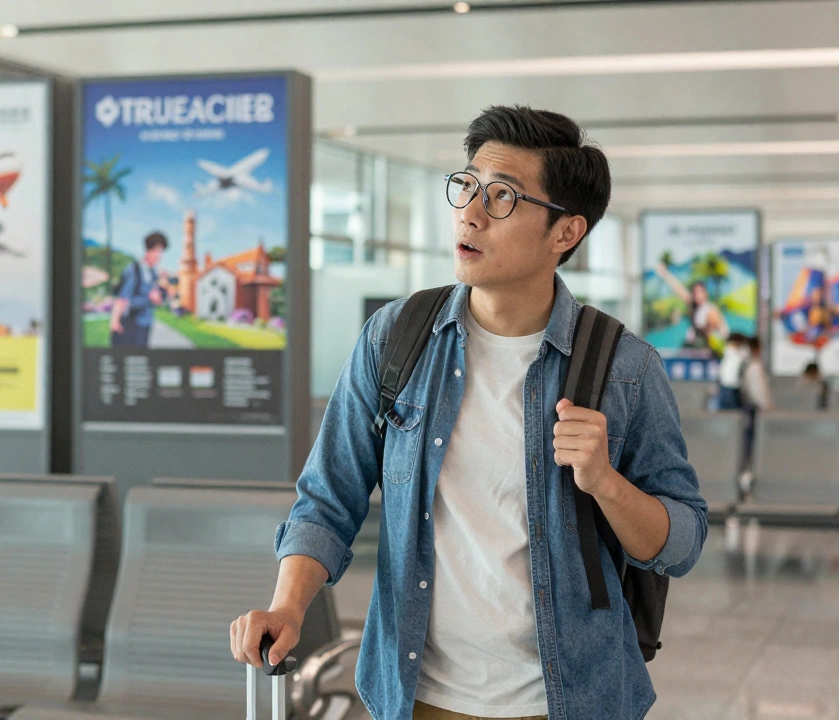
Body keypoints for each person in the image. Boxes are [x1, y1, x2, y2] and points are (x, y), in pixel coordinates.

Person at [230, 106, 707, 720]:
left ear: (566, 233)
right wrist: (288, 606)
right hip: (415, 695)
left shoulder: (625, 368)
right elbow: (329, 495)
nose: (472, 212)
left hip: (571, 699)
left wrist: (606, 485)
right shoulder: (397, 338)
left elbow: (682, 541)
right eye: (468, 186)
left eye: (503, 197)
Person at [653, 263, 729, 358]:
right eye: (695, 292)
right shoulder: (695, 306)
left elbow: (716, 333)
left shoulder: (710, 310)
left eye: (700, 292)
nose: (697, 295)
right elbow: (679, 290)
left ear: (705, 293)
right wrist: (665, 274)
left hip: (713, 352)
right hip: (701, 350)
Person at [109, 231, 169, 348]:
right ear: (149, 251)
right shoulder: (133, 270)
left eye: (161, 252)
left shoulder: (152, 273)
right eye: (157, 251)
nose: (159, 256)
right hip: (132, 325)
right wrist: (115, 321)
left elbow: (157, 297)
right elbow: (124, 300)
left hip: (145, 324)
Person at [716, 333, 751, 410]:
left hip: (730, 385)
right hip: (730, 385)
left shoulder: (732, 352)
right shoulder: (732, 352)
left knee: (729, 410)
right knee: (730, 410)